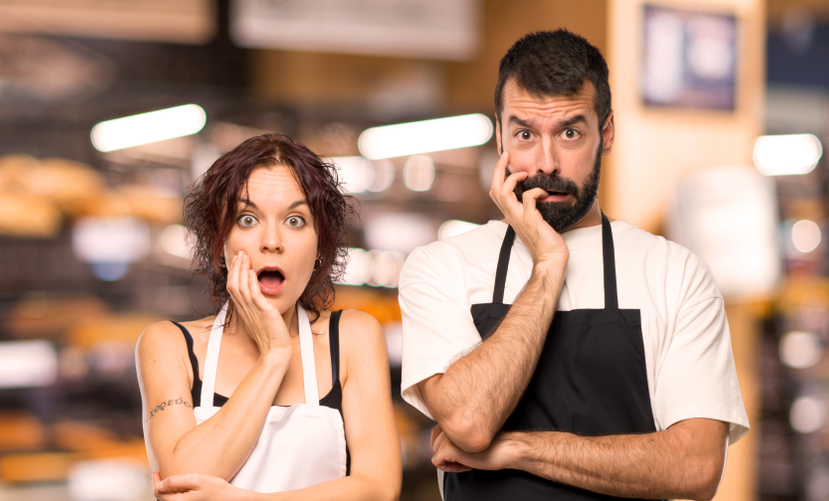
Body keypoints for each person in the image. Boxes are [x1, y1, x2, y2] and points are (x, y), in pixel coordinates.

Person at [399, 29, 750, 501]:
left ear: (605, 133)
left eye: (569, 132)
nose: (547, 162)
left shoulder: (675, 274)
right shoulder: (442, 267)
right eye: (525, 134)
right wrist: (548, 265)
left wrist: (520, 449)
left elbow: (696, 466)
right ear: (500, 135)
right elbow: (469, 422)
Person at [136, 133, 402, 500]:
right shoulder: (168, 344)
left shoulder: (354, 336)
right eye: (248, 219)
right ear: (219, 242)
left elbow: (378, 489)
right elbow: (181, 478)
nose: (272, 240)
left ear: (320, 247)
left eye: (295, 221)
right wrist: (274, 355)